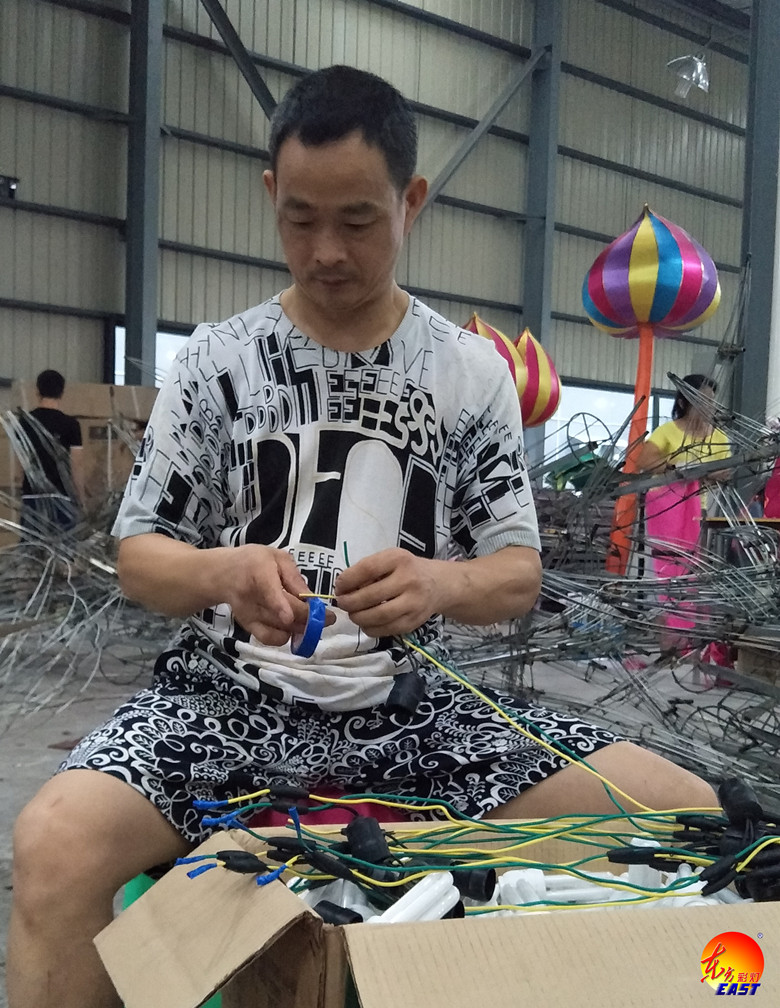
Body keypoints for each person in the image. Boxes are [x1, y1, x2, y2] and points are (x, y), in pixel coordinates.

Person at [7, 66, 717, 1008]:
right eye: (299, 219)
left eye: (358, 221)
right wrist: (224, 571)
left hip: (413, 712)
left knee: (688, 813)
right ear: (271, 193)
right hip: (225, 706)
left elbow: (517, 573)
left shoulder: (468, 373)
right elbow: (140, 556)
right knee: (54, 845)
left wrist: (439, 584)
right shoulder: (218, 361)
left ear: (411, 202)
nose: (327, 251)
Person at [636, 374, 731, 650]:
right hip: (666, 512)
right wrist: (677, 469)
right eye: (703, 399)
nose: (709, 405)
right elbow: (644, 460)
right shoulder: (668, 431)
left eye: (712, 400)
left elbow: (725, 472)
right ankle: (669, 644)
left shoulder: (719, 437)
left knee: (692, 576)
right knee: (667, 575)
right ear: (683, 402)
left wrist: (702, 474)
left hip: (698, 512)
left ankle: (688, 644)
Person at [18, 368, 84, 532]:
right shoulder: (71, 425)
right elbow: (76, 464)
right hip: (61, 497)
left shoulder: (24, 422)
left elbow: (21, 460)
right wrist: (80, 497)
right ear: (62, 392)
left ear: (37, 391)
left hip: (32, 495)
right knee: (64, 544)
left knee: (32, 544)